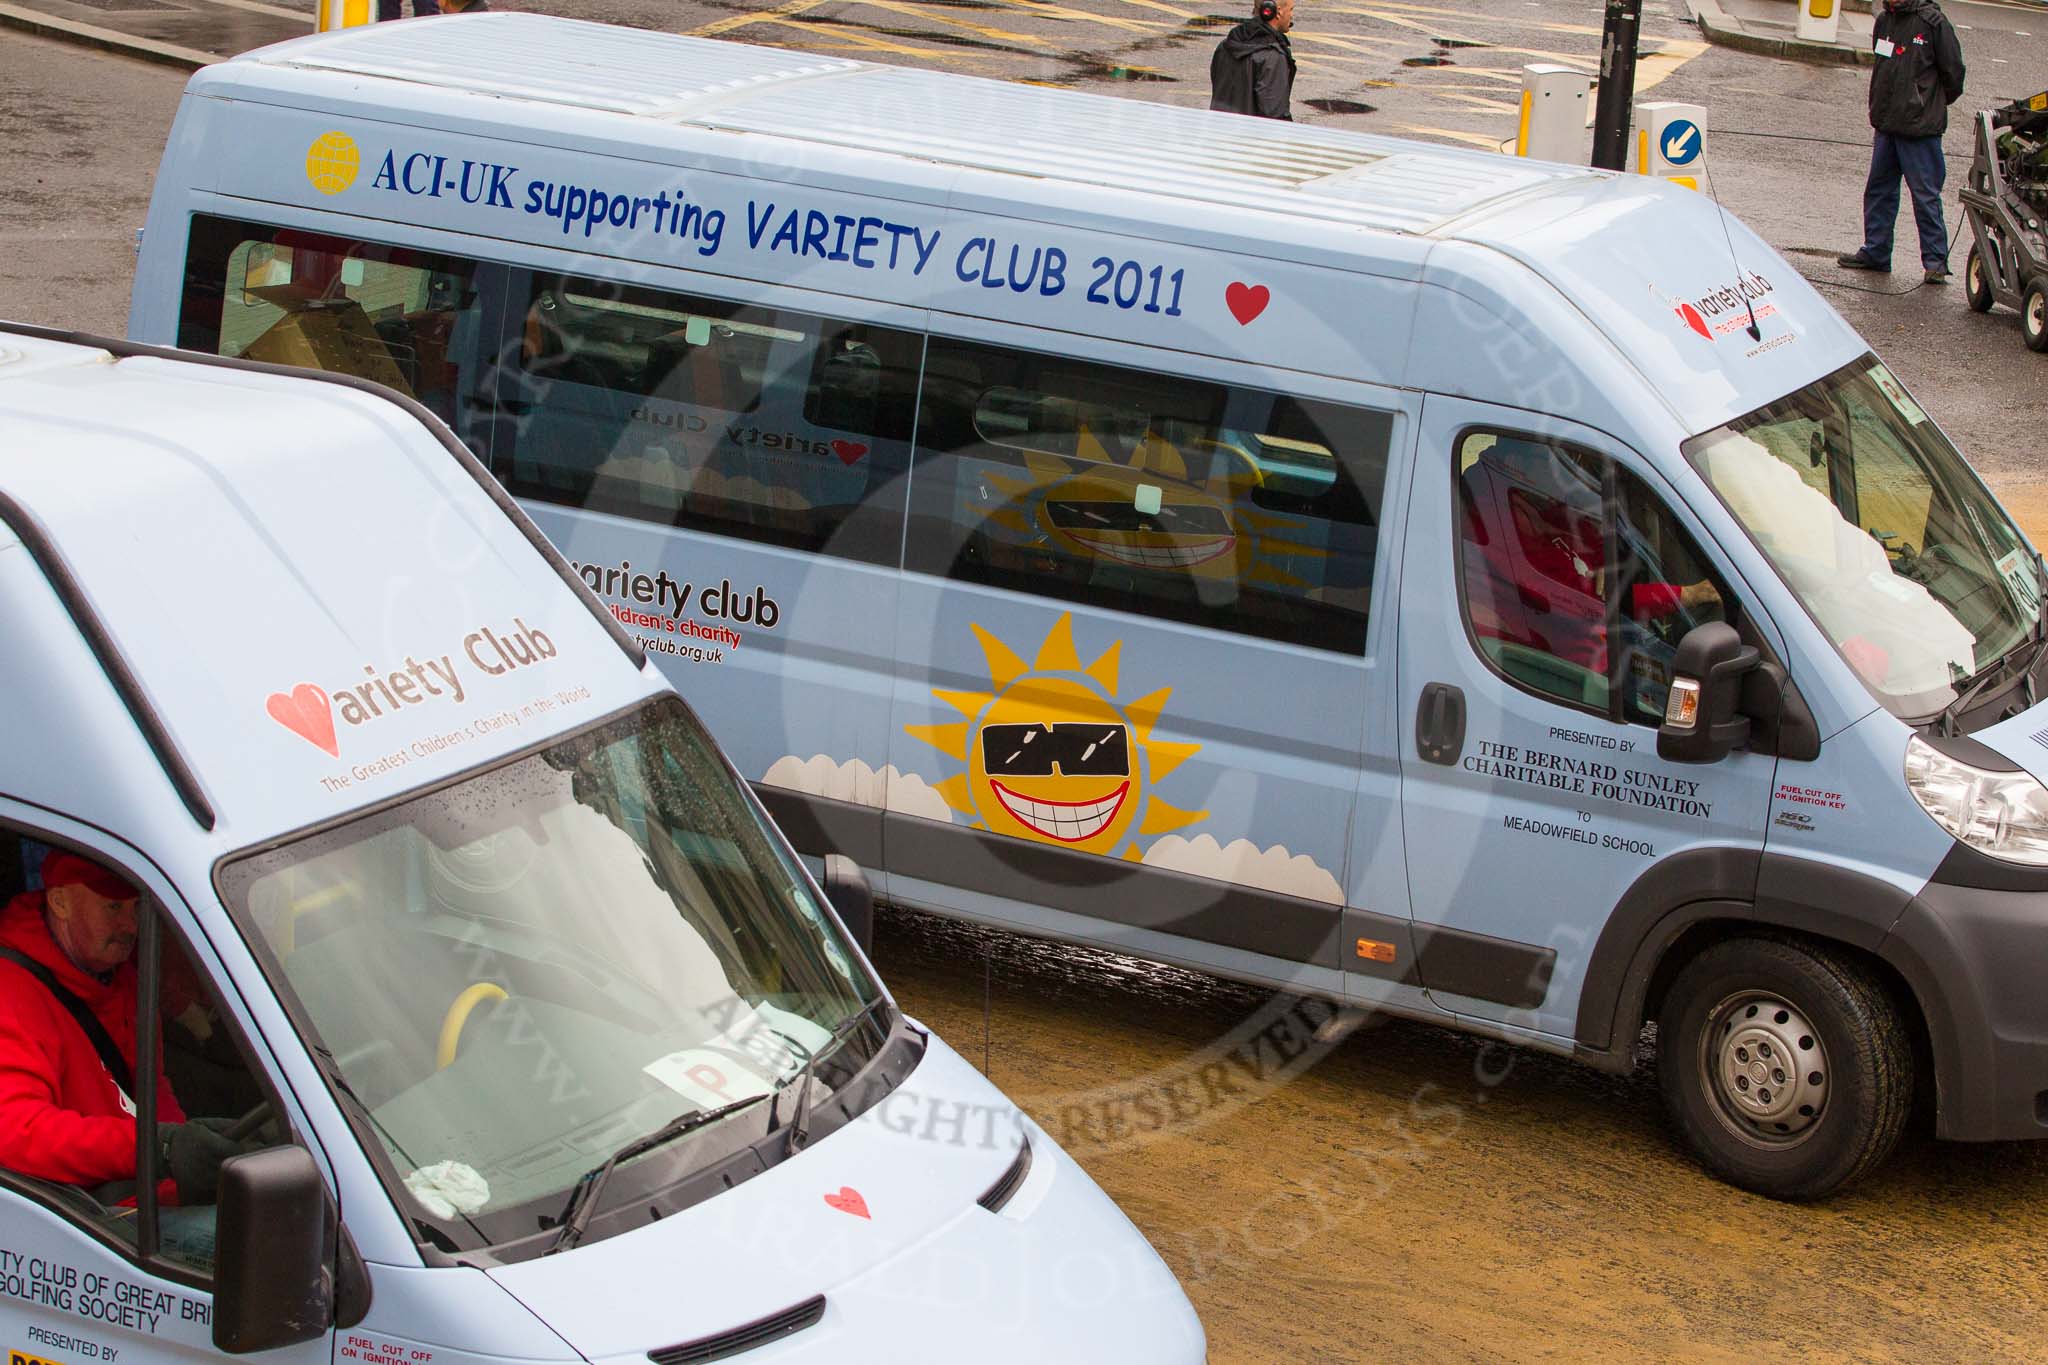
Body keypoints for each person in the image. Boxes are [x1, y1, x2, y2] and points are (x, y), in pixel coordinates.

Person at [0, 851, 242, 1233]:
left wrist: (180, 1154)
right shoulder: (10, 991)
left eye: (135, 906)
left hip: (140, 1188)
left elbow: (150, 1084)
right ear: (59, 901)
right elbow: (15, 1132)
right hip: (82, 1219)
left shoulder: (117, 971)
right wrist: (156, 1147)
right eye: (113, 906)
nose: (130, 925)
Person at [1837, 0, 1966, 284]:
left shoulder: (1933, 24)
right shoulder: (1884, 20)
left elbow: (1954, 75)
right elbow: (1883, 65)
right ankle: (1876, 253)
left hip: (1920, 130)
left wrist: (1925, 104)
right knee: (1879, 191)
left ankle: (1935, 262)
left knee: (1925, 196)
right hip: (1886, 124)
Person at [1210, 0, 1295, 122]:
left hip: (1218, 134)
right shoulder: (1272, 57)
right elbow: (1274, 116)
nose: (1291, 15)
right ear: (1278, 12)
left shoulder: (1224, 46)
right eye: (1291, 9)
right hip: (1250, 138)